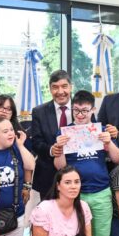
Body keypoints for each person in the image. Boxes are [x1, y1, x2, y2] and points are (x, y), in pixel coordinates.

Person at [53, 90, 119, 236]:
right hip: (75, 194)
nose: (80, 115)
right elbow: (60, 167)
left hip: (101, 191)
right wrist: (60, 148)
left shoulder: (101, 130)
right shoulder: (65, 132)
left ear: (93, 110)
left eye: (84, 110)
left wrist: (108, 143)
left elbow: (118, 159)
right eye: (76, 110)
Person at [31, 70, 73, 205]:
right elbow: (36, 142)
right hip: (48, 176)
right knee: (49, 214)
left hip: (77, 174)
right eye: (55, 87)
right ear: (50, 89)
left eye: (64, 86)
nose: (60, 92)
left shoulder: (82, 108)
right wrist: (51, 150)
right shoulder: (39, 112)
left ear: (71, 87)